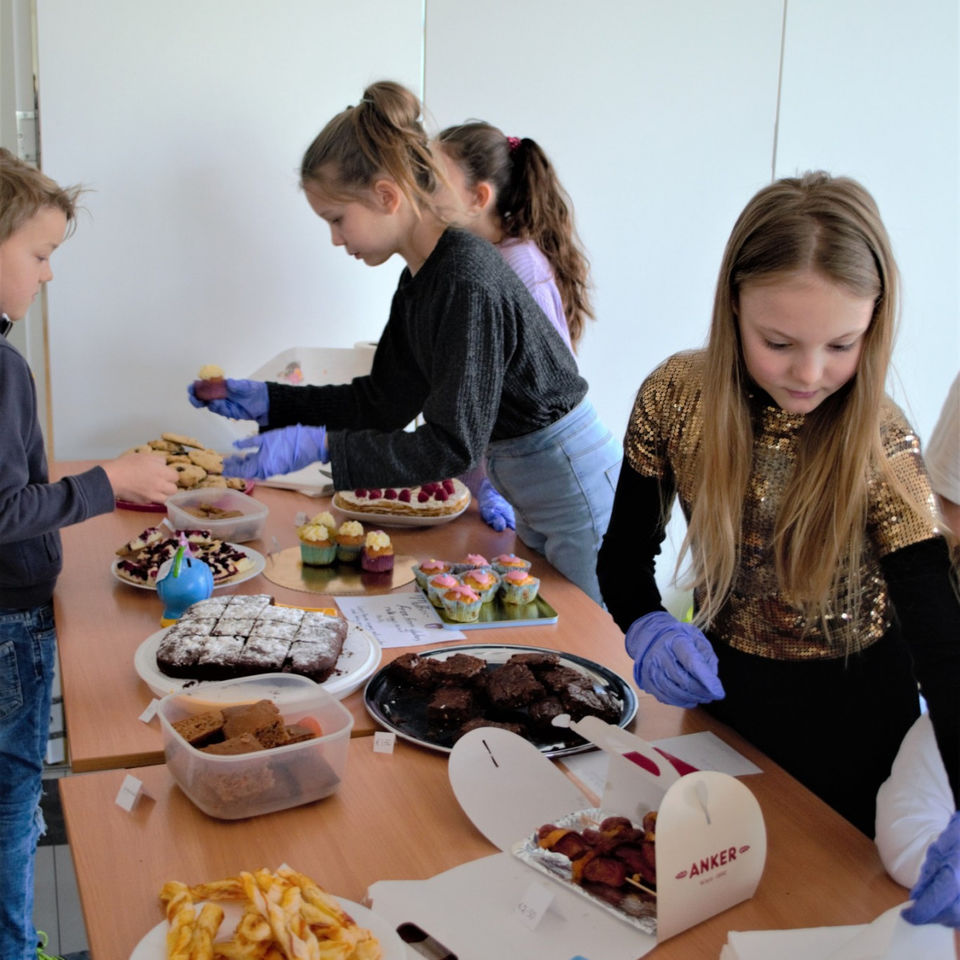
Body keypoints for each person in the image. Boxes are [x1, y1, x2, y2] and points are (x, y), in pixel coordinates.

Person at [596, 172, 960, 847]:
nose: (809, 373)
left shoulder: (882, 444)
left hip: (858, 736)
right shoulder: (677, 396)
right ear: (733, 304)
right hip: (726, 708)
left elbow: (940, 634)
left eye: (841, 346)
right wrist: (646, 622)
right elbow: (622, 554)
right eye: (780, 342)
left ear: (873, 326)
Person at [188, 81, 621, 604]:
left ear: (386, 196)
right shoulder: (422, 277)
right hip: (535, 481)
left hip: (571, 481)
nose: (335, 238)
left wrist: (321, 446)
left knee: (593, 640)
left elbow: (449, 446)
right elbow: (383, 401)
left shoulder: (465, 276)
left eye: (336, 219)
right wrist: (273, 401)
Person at [0, 147, 178, 960]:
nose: (47, 276)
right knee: (12, 803)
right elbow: (6, 508)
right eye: (39, 255)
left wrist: (104, 481)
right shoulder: (1, 369)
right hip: (9, 630)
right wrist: (107, 482)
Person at [433, 121, 595, 532]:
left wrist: (490, 482)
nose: (422, 194)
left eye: (433, 181)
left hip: (542, 489)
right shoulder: (481, 260)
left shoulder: (519, 265)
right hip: (503, 481)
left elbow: (550, 393)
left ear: (479, 197)